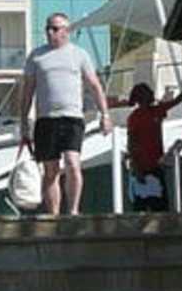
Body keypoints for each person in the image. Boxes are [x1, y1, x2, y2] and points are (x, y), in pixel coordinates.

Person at [14, 14, 110, 217]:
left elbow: (94, 85)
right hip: (46, 119)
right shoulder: (36, 56)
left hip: (72, 117)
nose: (50, 32)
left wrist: (105, 114)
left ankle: (73, 210)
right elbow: (28, 90)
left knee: (73, 162)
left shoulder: (79, 54)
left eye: (55, 28)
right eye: (48, 28)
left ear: (66, 31)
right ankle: (54, 216)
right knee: (50, 170)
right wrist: (23, 120)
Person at [114, 63, 182, 211]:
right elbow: (131, 143)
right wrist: (136, 168)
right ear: (140, 98)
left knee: (161, 206)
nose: (151, 95)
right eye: (147, 93)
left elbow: (178, 100)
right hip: (142, 167)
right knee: (142, 206)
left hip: (156, 164)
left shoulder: (157, 110)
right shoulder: (134, 118)